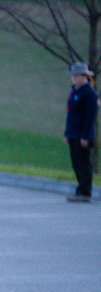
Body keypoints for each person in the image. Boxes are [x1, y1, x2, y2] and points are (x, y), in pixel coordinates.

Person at [64, 62, 98, 203]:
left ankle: (85, 192)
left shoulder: (89, 93)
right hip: (73, 133)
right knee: (76, 163)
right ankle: (80, 190)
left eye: (77, 75)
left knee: (84, 163)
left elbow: (90, 117)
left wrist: (85, 136)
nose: (74, 78)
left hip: (82, 135)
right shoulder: (75, 91)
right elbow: (70, 114)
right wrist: (67, 133)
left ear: (85, 76)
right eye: (73, 75)